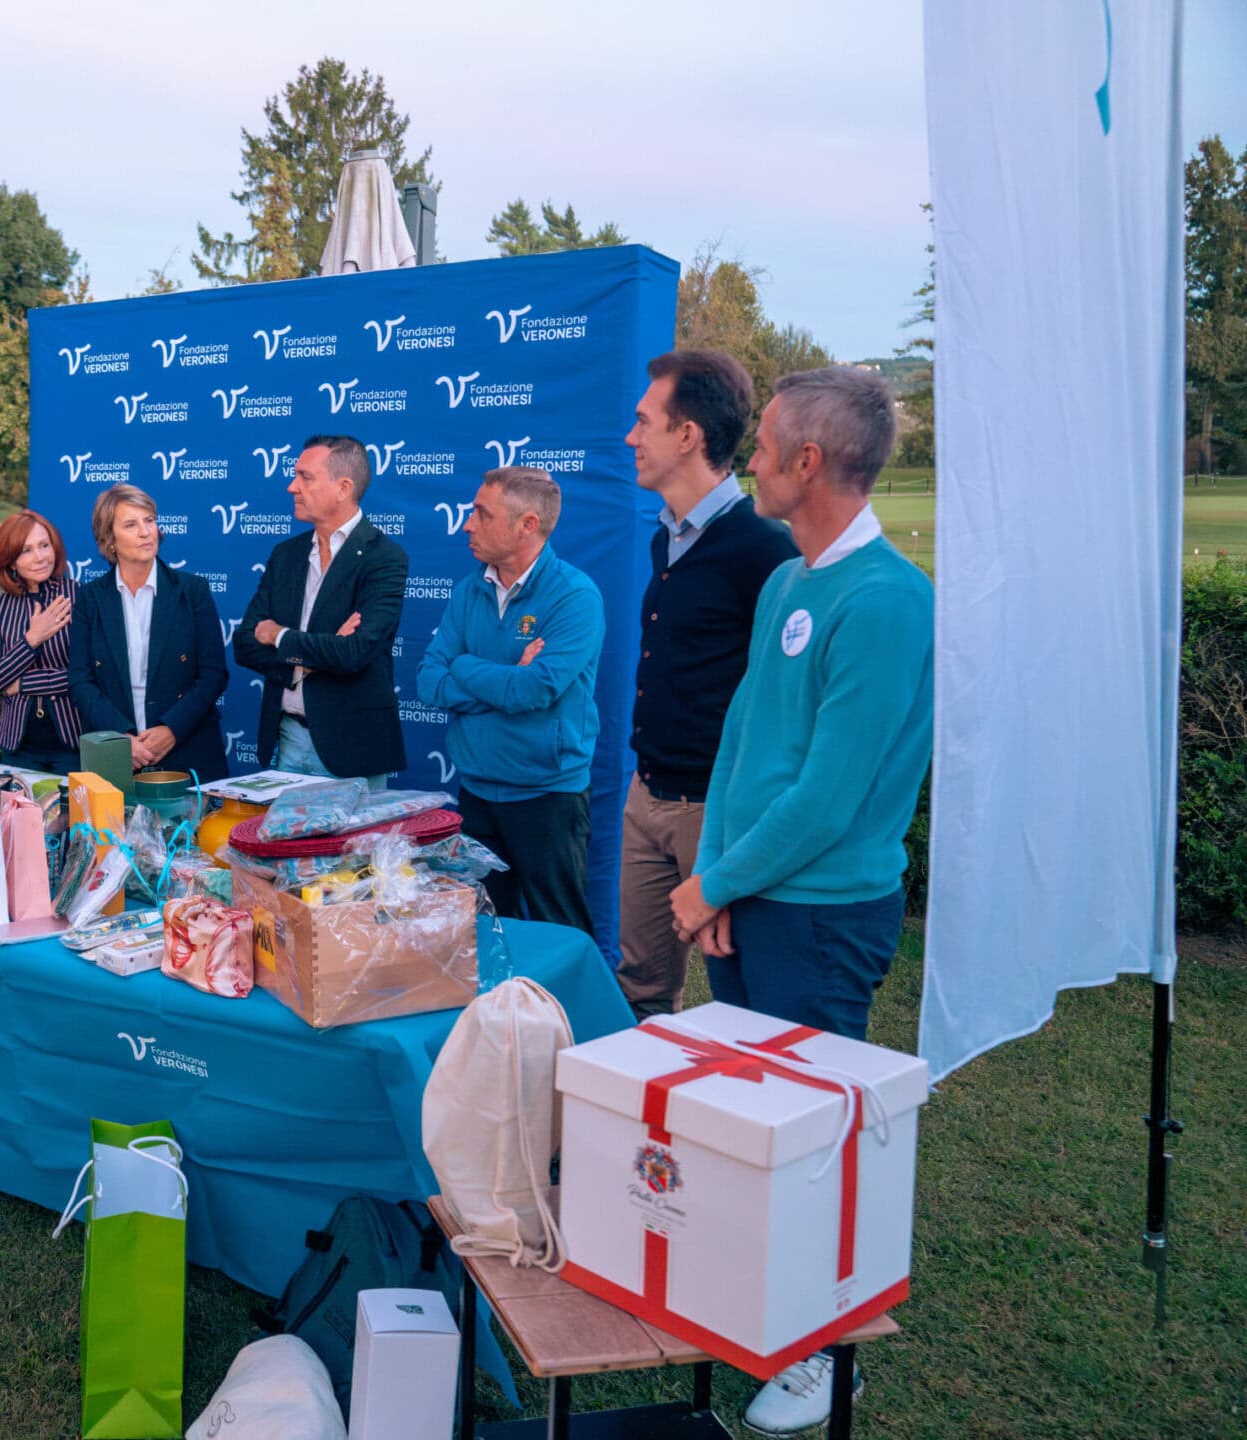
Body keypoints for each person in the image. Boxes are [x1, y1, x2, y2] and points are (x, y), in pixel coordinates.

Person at [665, 367, 931, 1437]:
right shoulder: (787, 581)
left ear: (807, 462)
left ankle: (829, 1353)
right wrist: (717, 879)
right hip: (750, 897)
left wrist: (712, 883)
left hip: (822, 917)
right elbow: (744, 741)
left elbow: (831, 794)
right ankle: (757, 1301)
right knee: (753, 1122)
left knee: (821, 1136)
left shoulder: (887, 601)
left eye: (765, 444)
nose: (751, 458)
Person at [618, 351, 798, 1018]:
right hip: (646, 797)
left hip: (715, 814)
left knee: (739, 995)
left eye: (643, 422)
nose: (631, 438)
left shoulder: (762, 550)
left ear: (687, 434)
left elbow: (780, 704)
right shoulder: (666, 540)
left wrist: (729, 831)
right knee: (638, 984)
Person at [415, 467, 603, 934]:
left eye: (482, 513)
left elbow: (536, 689)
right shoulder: (469, 590)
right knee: (482, 932)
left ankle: (560, 1011)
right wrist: (503, 676)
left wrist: (466, 665)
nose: (468, 524)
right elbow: (429, 681)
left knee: (557, 935)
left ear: (528, 525)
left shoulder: (575, 597)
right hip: (477, 794)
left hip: (547, 797)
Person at [231, 434, 407, 781]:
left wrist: (280, 636)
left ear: (343, 488)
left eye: (305, 477)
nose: (292, 487)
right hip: (288, 740)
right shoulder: (286, 555)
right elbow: (245, 643)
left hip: (352, 748)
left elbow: (354, 653)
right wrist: (315, 657)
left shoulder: (384, 558)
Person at [66, 483, 228, 779]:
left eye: (149, 520)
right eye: (131, 524)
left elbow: (213, 674)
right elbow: (80, 680)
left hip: (188, 752)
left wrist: (172, 728)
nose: (145, 531)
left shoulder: (193, 591)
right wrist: (119, 736)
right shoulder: (90, 599)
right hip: (114, 758)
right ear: (109, 539)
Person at [0, 510, 81, 772]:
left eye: (44, 546)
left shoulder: (77, 596)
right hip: (18, 748)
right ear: (11, 561)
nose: (40, 557)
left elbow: (85, 675)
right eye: (26, 550)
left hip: (72, 744)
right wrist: (33, 638)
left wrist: (21, 683)